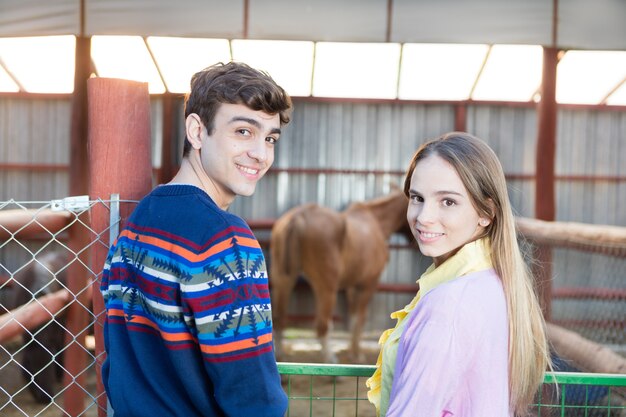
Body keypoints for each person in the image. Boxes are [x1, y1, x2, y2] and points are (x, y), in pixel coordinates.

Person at [100, 62, 292, 417]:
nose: (261, 154)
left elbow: (117, 358)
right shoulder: (223, 240)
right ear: (197, 131)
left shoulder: (138, 222)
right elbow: (253, 397)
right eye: (243, 132)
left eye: (270, 138)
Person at [367, 132, 552, 417]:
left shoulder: (448, 304)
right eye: (417, 198)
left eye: (448, 202)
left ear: (486, 212)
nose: (423, 216)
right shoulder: (494, 283)